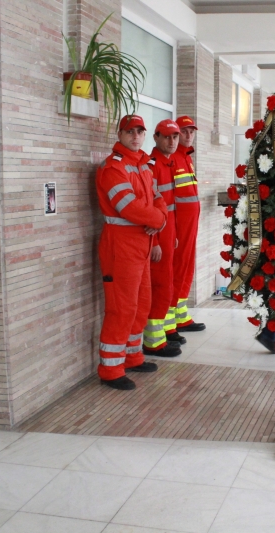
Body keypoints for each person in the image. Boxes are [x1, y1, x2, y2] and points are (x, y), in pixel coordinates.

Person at [95, 115, 167, 390]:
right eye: (129, 132)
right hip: (121, 245)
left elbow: (159, 198)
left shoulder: (143, 166)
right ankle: (110, 370)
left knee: (141, 303)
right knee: (121, 307)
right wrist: (157, 220)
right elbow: (127, 206)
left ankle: (132, 356)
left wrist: (156, 221)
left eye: (139, 132)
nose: (135, 136)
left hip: (142, 243)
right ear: (120, 134)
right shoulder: (113, 168)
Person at [143, 119, 184, 358]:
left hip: (168, 232)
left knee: (167, 282)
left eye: (175, 137)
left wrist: (174, 234)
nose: (171, 141)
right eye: (167, 136)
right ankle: (153, 342)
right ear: (156, 138)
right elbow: (151, 205)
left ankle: (160, 336)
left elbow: (171, 206)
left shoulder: (168, 163)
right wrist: (157, 241)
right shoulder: (152, 164)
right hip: (158, 234)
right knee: (159, 284)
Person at [166, 115, 206, 339]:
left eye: (191, 131)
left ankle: (180, 316)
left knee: (186, 269)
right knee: (176, 270)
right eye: (184, 131)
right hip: (178, 227)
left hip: (189, 226)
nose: (189, 135)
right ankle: (170, 321)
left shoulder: (186, 158)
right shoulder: (172, 159)